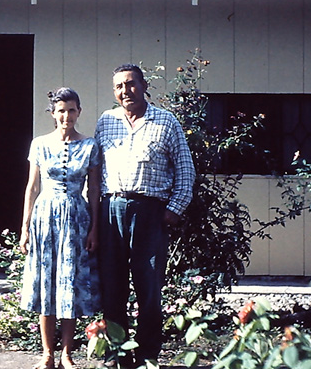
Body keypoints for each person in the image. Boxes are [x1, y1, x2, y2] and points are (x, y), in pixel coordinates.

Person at [95, 64, 195, 368]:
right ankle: (119, 354)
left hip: (150, 212)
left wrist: (173, 210)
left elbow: (186, 170)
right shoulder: (106, 121)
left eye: (131, 84)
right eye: (119, 87)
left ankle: (148, 355)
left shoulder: (166, 121)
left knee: (148, 287)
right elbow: (94, 170)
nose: (125, 91)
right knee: (112, 287)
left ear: (143, 85)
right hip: (111, 210)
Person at [19, 87, 101, 369]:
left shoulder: (90, 145)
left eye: (72, 110)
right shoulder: (40, 144)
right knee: (46, 285)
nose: (67, 116)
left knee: (70, 286)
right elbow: (32, 187)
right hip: (45, 217)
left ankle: (67, 353)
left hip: (77, 218)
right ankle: (47, 354)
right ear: (53, 114)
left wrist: (94, 229)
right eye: (61, 110)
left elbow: (94, 191)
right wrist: (25, 227)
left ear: (79, 112)